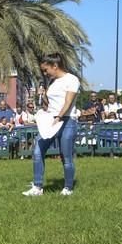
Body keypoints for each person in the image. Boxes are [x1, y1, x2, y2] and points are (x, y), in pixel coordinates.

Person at [23, 53, 79, 197]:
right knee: (37, 151)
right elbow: (48, 105)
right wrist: (43, 96)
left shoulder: (71, 79)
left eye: (46, 70)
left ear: (55, 66)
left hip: (66, 120)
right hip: (51, 120)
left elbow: (68, 102)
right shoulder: (52, 83)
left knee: (65, 156)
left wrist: (59, 116)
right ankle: (37, 187)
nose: (45, 73)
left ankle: (68, 188)